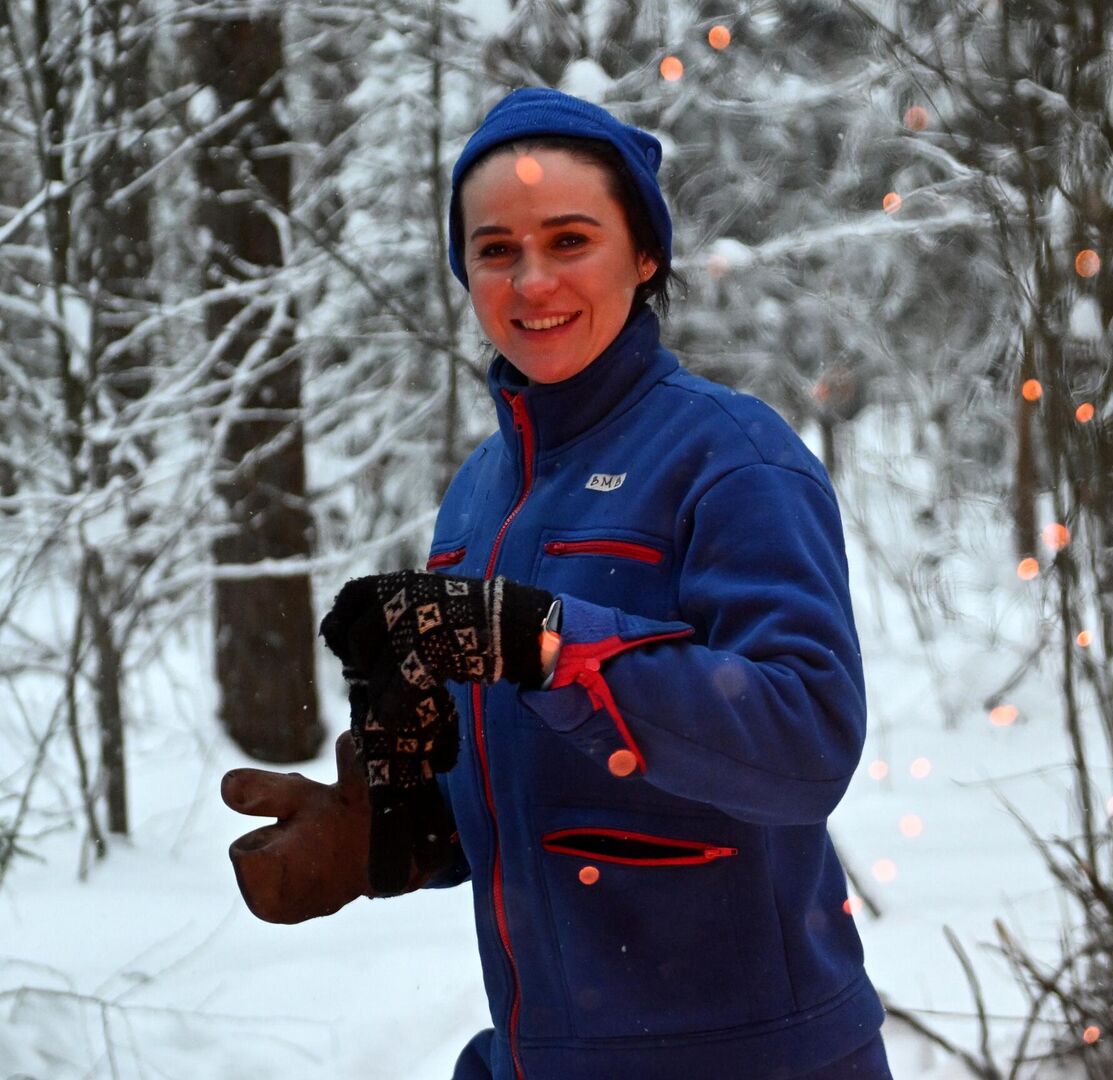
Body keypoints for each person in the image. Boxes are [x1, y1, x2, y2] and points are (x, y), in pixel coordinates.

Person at [220, 87, 889, 1080]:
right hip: (552, 1053)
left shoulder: (731, 456)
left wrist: (536, 638)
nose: (532, 281)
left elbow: (807, 741)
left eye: (570, 239)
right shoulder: (479, 497)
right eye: (495, 250)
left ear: (644, 255)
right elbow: (533, 780)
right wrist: (396, 834)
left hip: (751, 1056)